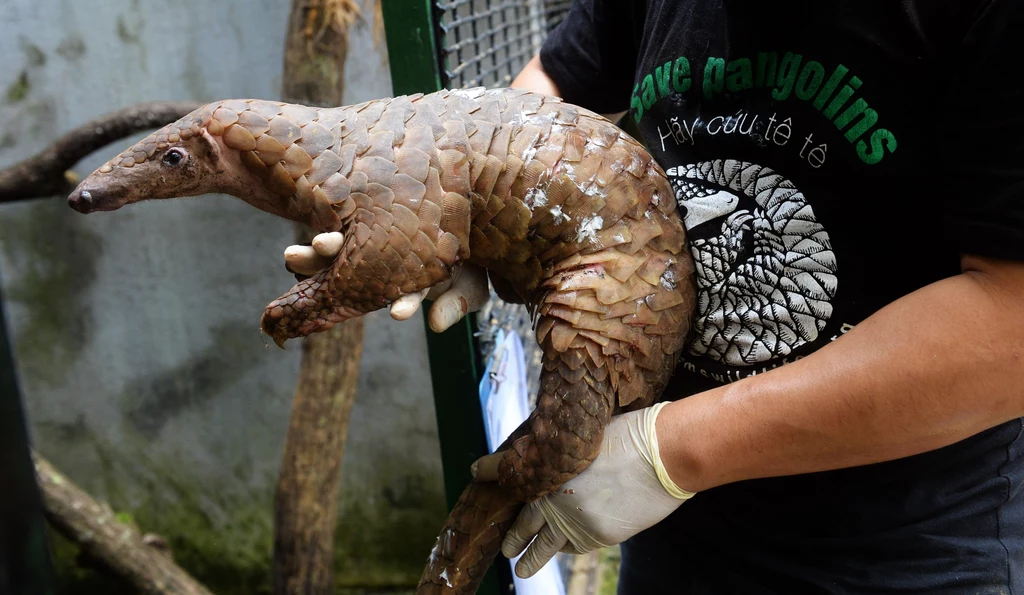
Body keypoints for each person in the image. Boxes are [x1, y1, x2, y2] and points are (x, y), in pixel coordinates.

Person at [288, 1, 1024, 592]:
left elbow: (1010, 324)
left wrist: (672, 451)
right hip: (669, 525)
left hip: (904, 548)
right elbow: (550, 82)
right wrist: (469, 211)